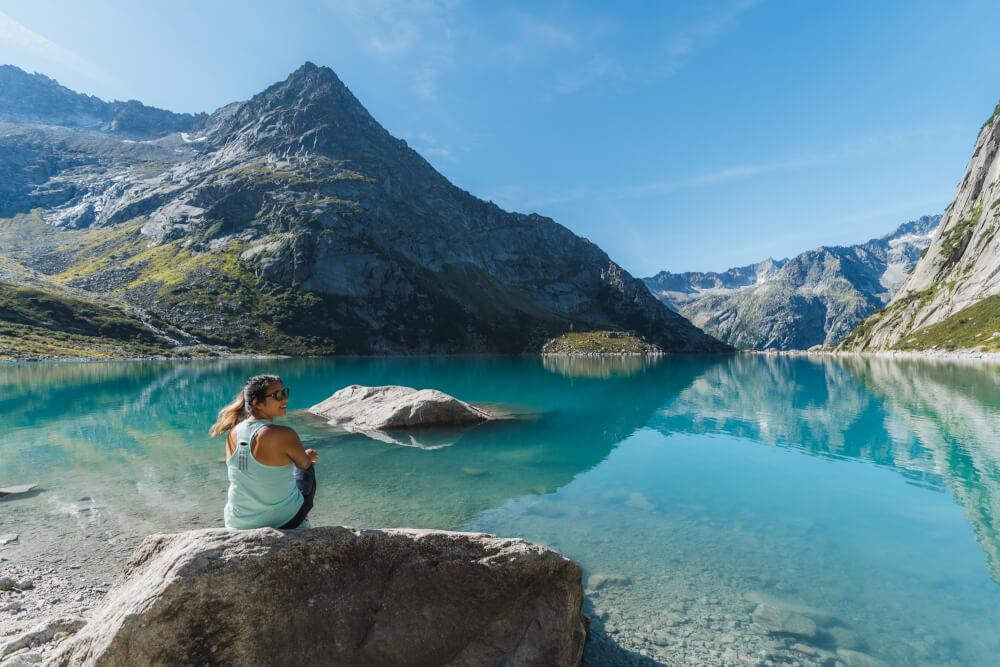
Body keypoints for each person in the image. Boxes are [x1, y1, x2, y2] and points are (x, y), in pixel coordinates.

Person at [209, 374, 318, 529]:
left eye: (285, 392)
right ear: (256, 402)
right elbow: (304, 464)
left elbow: (247, 467)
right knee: (306, 469)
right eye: (278, 395)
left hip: (238, 521)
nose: (285, 399)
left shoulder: (233, 432)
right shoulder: (284, 434)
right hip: (282, 520)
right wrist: (309, 456)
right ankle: (301, 519)